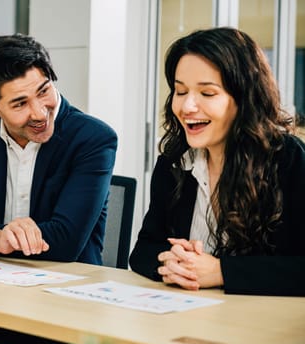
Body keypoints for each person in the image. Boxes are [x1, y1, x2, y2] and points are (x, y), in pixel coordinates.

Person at [129, 27, 305, 296]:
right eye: (180, 91)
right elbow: (143, 249)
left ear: (244, 100)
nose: (187, 107)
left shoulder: (288, 159)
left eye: (207, 93)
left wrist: (221, 271)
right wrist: (170, 261)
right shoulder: (174, 161)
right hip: (185, 317)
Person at [0, 34, 117, 265]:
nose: (39, 113)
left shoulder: (92, 138)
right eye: (20, 103)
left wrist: (1, 239)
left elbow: (65, 242)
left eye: (43, 91)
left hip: (68, 285)